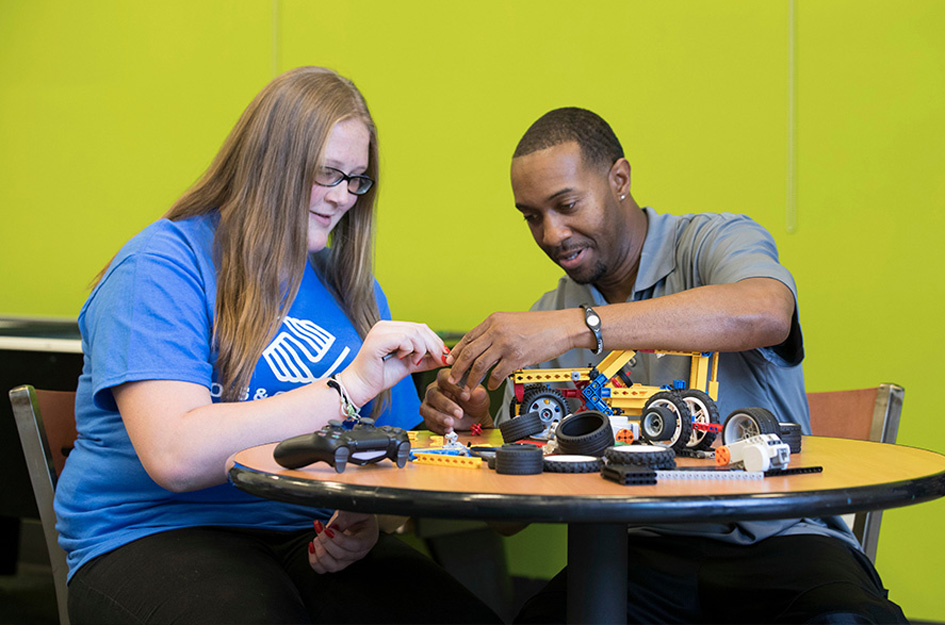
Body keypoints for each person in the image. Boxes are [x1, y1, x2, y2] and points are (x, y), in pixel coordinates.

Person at [422, 107, 907, 624]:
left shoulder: (710, 243)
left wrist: (579, 325)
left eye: (567, 205)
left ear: (620, 179)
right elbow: (508, 525)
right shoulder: (547, 320)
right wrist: (476, 430)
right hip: (637, 555)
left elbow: (768, 312)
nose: (551, 234)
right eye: (531, 216)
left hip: (779, 538)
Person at [57, 66, 501, 625]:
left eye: (357, 179)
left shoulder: (351, 285)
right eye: (328, 173)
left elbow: (388, 461)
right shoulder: (160, 265)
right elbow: (176, 456)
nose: (343, 197)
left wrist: (363, 519)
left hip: (298, 530)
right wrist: (350, 387)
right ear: (272, 162)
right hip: (154, 534)